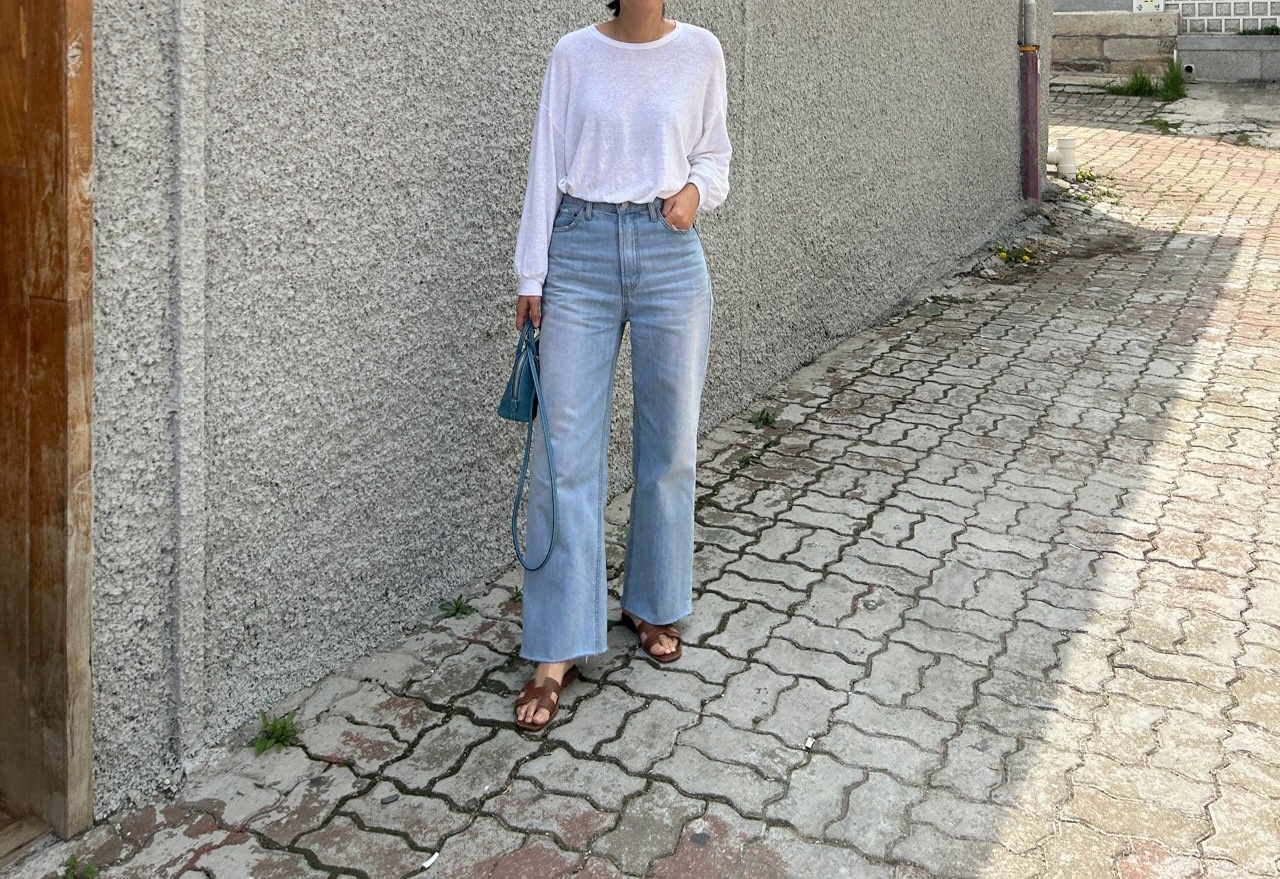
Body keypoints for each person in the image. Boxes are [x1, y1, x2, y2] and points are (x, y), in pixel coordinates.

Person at [510, 0, 732, 731]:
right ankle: (556, 646)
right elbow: (545, 164)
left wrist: (693, 194)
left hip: (669, 254)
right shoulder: (573, 54)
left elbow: (714, 154)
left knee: (670, 446)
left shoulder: (701, 51)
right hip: (579, 250)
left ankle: (652, 602)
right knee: (562, 456)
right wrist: (531, 274)